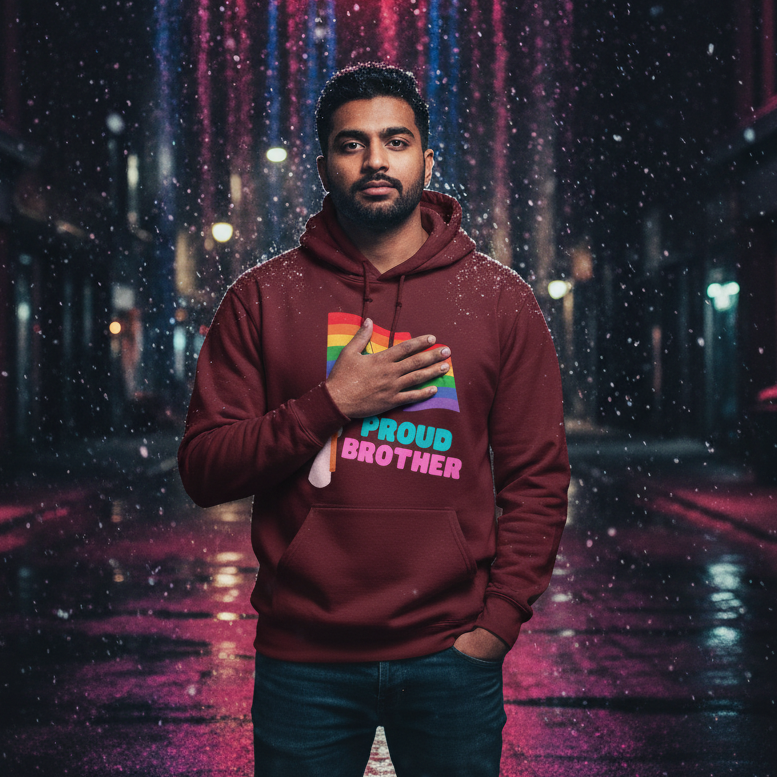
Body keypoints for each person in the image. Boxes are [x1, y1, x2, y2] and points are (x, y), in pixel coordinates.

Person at [178, 63, 570, 777]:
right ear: (325, 162)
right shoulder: (262, 298)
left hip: (452, 656)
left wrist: (497, 622)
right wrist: (332, 404)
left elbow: (536, 478)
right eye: (351, 144)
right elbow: (205, 468)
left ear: (426, 157)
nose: (375, 161)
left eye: (395, 141)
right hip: (305, 662)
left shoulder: (498, 301)